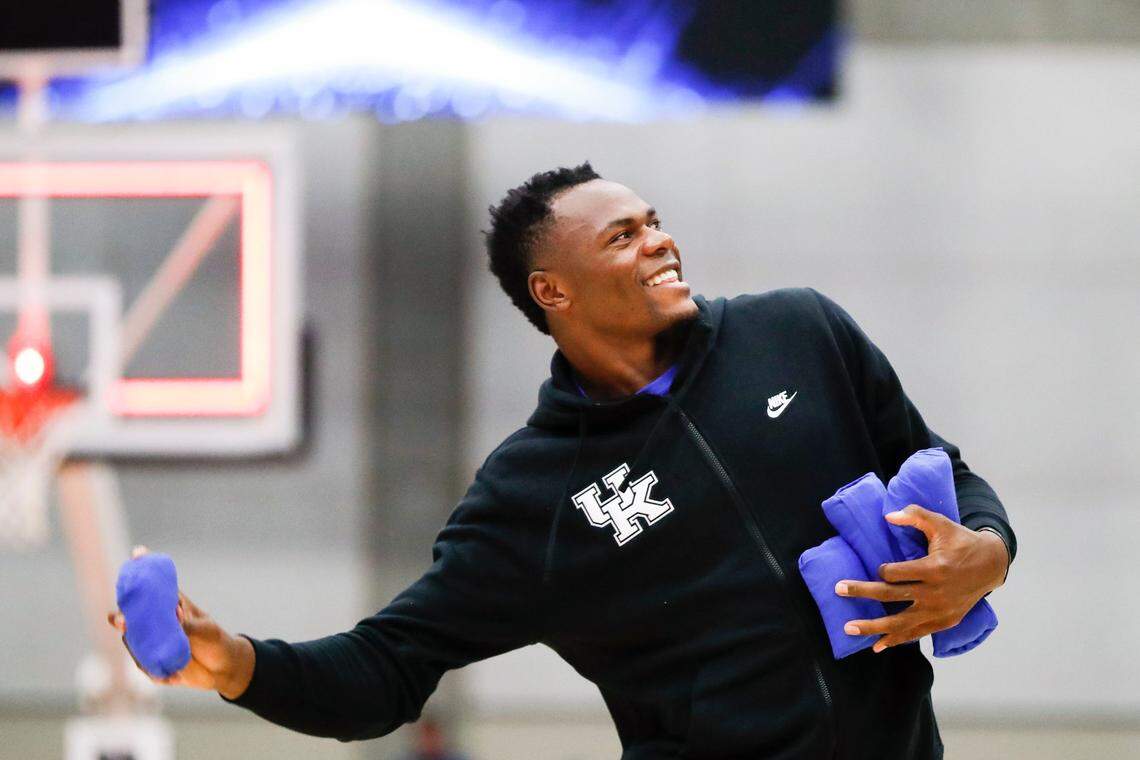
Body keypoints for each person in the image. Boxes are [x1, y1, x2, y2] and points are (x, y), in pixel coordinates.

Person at [109, 163, 1015, 759]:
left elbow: (939, 466)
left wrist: (986, 548)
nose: (659, 240)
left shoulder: (800, 331)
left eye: (654, 222)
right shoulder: (534, 495)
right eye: (622, 235)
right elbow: (386, 667)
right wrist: (233, 664)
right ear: (554, 292)